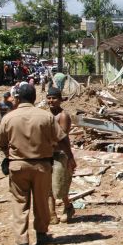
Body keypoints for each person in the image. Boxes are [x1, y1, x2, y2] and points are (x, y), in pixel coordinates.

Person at [0, 84, 76, 245]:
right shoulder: (46, 117)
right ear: (35, 98)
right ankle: (41, 234)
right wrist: (70, 157)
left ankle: (23, 242)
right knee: (41, 202)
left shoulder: (8, 118)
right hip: (42, 166)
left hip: (17, 166)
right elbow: (62, 138)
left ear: (17, 99)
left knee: (20, 203)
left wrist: (10, 156)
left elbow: (1, 143)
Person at [46, 87, 75, 223]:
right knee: (47, 185)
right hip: (47, 154)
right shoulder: (46, 114)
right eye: (49, 98)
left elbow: (62, 138)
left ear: (60, 100)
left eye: (54, 98)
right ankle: (51, 214)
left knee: (60, 185)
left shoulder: (63, 116)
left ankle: (68, 206)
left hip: (60, 154)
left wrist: (70, 157)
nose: (51, 101)